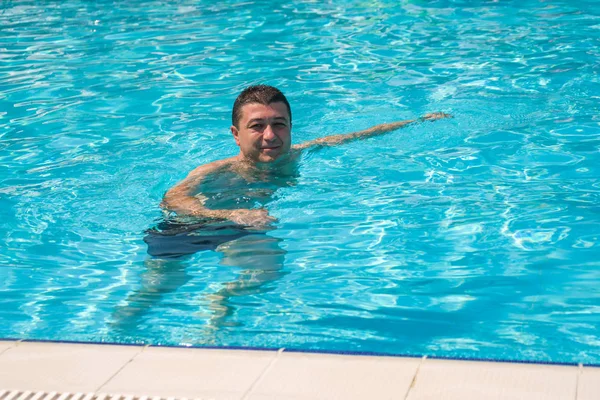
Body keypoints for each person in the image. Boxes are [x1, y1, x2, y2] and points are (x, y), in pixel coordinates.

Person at [162, 84, 451, 227]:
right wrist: (230, 215)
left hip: (247, 228)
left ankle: (218, 312)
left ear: (290, 127)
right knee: (154, 288)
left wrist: (418, 121)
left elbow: (363, 133)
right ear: (236, 134)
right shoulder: (216, 171)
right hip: (186, 229)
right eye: (257, 127)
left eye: (278, 125)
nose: (270, 136)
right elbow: (173, 200)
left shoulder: (301, 152)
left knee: (266, 268)